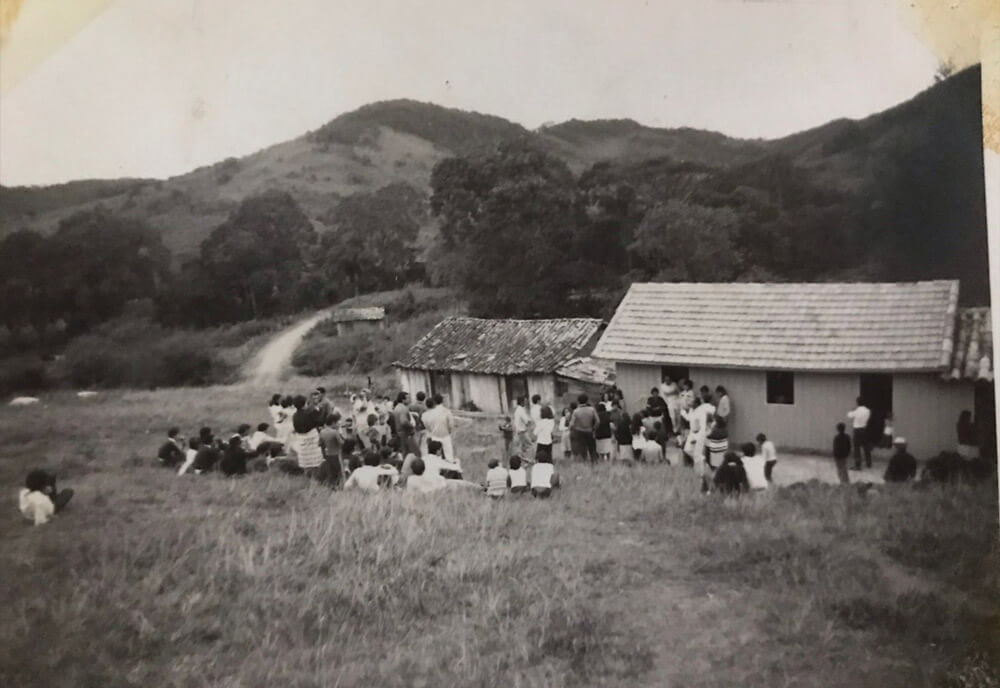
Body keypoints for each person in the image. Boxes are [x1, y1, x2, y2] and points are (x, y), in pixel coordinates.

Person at [290, 395, 324, 476]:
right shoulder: (310, 412)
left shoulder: (294, 415)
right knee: (316, 459)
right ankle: (317, 476)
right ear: (304, 404)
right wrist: (318, 410)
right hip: (312, 436)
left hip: (301, 438)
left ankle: (307, 475)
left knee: (305, 459)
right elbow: (320, 422)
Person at [422, 395, 457, 462]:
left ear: (434, 402)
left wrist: (432, 431)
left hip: (434, 436)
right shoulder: (446, 411)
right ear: (442, 401)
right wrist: (449, 431)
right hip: (445, 435)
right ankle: (450, 468)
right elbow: (451, 424)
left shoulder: (428, 413)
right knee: (449, 455)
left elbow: (427, 426)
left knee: (436, 457)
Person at [568, 394, 599, 462]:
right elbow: (598, 421)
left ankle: (584, 464)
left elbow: (572, 424)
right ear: (587, 401)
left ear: (578, 401)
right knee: (592, 449)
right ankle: (594, 463)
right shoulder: (592, 409)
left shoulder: (576, 411)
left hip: (579, 432)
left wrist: (572, 428)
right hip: (589, 431)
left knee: (582, 450)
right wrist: (594, 428)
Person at [847, 397, 872, 470]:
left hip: (857, 430)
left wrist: (853, 410)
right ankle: (869, 463)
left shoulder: (856, 411)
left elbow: (849, 415)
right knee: (866, 447)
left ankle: (858, 465)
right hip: (864, 429)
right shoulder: (868, 411)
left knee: (856, 448)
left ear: (857, 402)